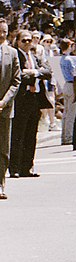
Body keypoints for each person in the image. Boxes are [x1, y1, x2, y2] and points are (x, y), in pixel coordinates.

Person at [9, 30, 53, 178]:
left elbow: (47, 71)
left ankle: (27, 167)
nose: (27, 43)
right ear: (18, 41)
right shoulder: (15, 55)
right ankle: (14, 167)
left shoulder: (34, 56)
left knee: (31, 135)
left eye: (29, 40)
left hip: (35, 99)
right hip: (22, 98)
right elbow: (18, 75)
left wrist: (34, 72)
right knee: (18, 134)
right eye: (24, 40)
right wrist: (32, 73)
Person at [0, 20, 19, 199]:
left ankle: (0, 184)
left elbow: (16, 81)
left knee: (3, 149)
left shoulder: (12, 53)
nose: (1, 34)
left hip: (4, 109)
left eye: (4, 31)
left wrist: (3, 102)